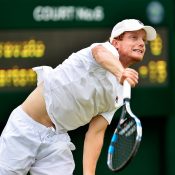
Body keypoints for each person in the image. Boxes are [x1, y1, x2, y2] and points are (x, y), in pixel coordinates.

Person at [0, 19, 156, 175]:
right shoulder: (102, 50)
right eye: (134, 37)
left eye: (143, 40)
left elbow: (96, 132)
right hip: (24, 127)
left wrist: (89, 173)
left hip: (56, 140)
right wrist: (120, 72)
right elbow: (100, 55)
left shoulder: (120, 92)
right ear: (115, 43)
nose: (141, 43)